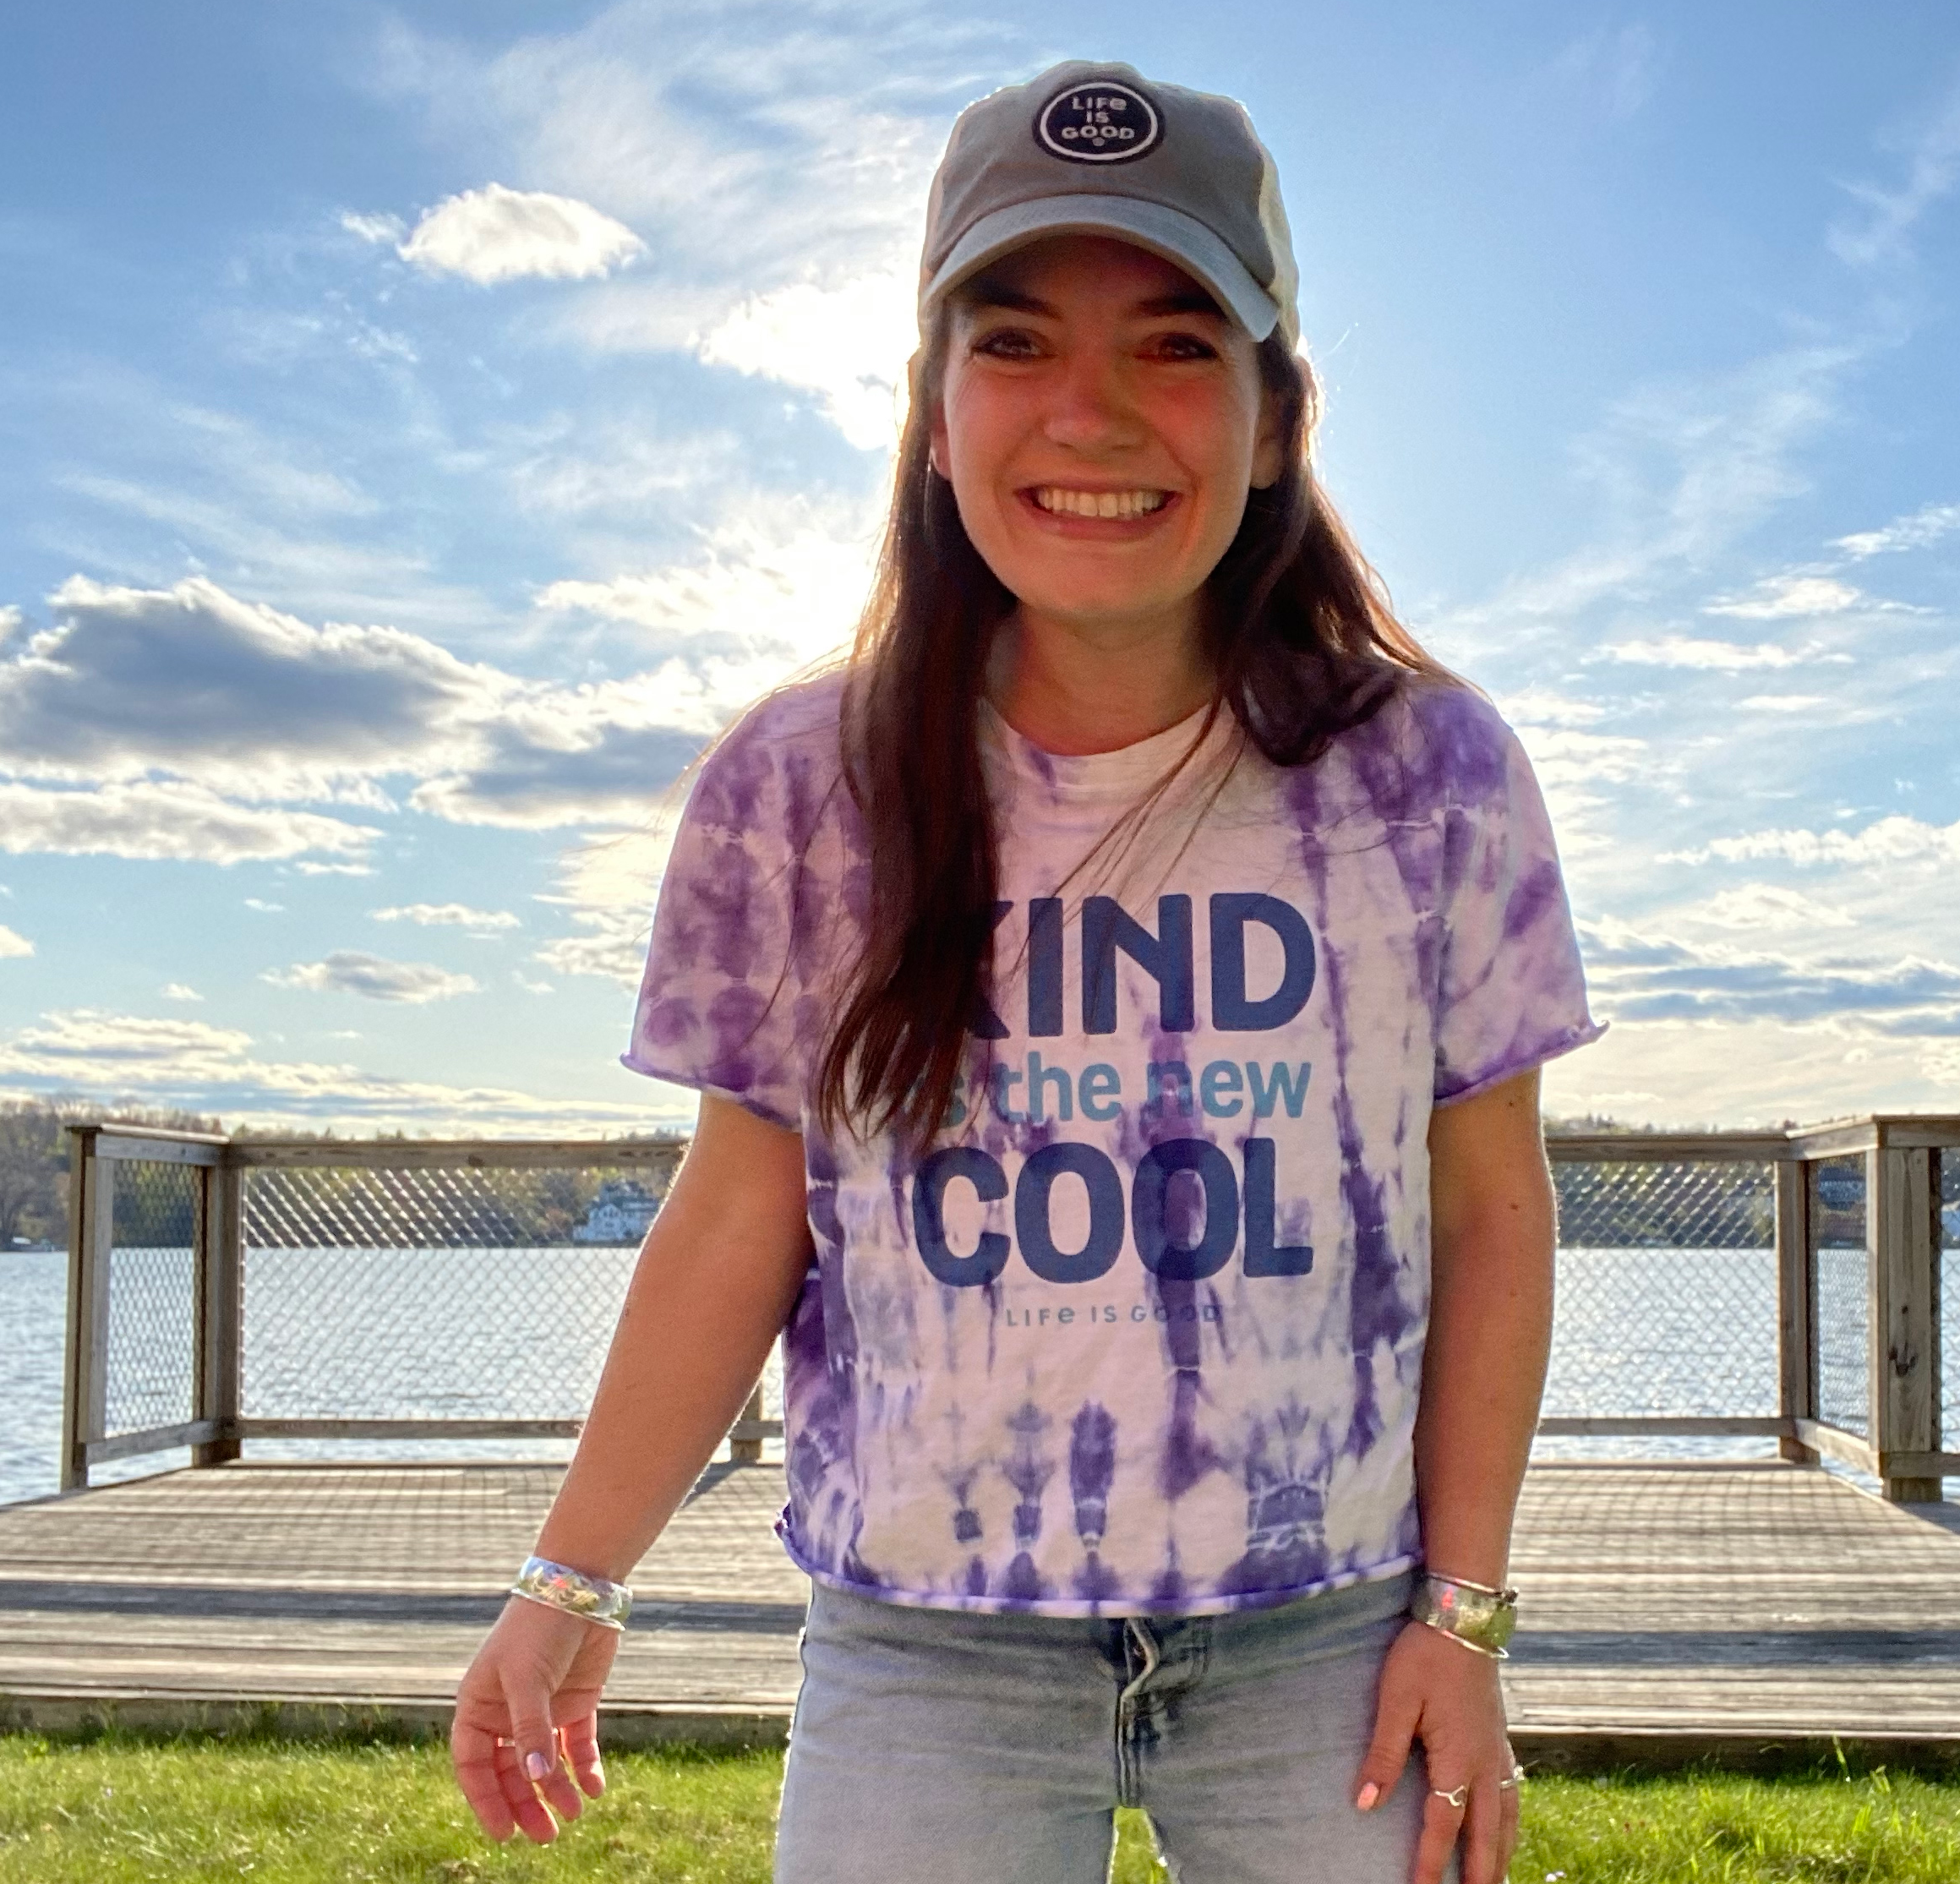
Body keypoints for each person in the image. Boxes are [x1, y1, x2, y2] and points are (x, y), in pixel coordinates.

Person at [449, 59, 1599, 1884]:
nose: (1092, 413)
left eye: (1171, 345)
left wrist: (1463, 1617)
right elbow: (743, 1210)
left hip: (1325, 1626)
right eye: (1012, 343)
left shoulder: (1431, 778)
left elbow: (1492, 1212)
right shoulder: (793, 791)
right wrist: (570, 1577)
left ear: (1278, 417)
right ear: (929, 410)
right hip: (927, 1639)